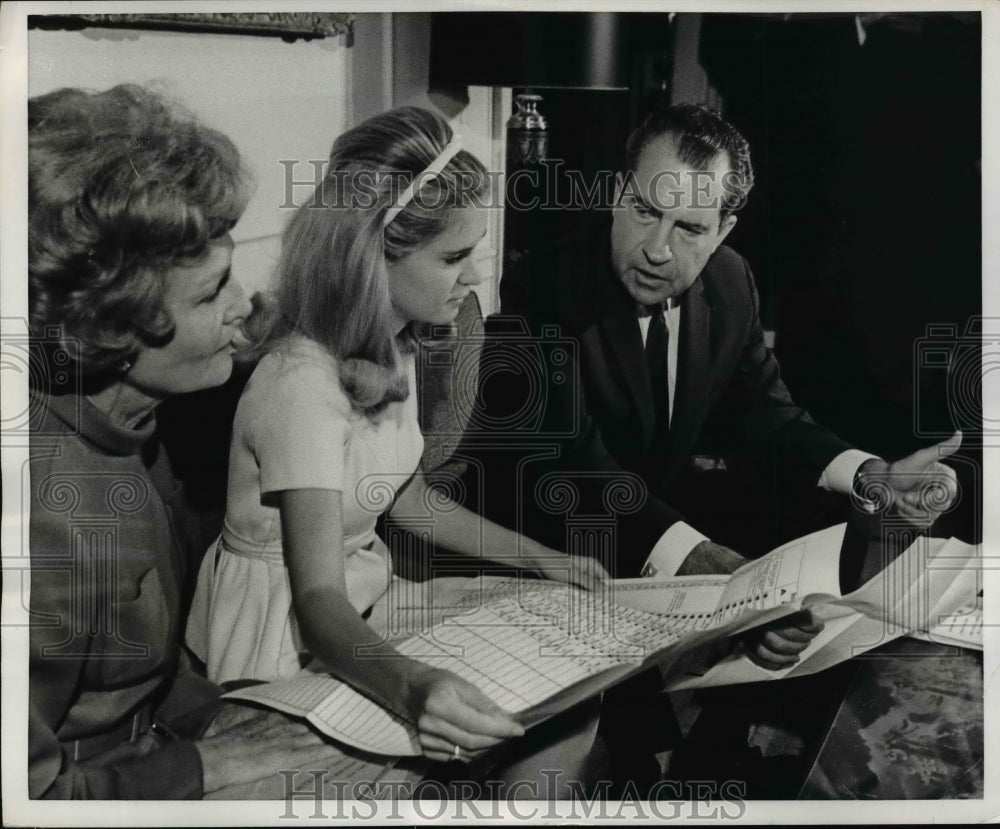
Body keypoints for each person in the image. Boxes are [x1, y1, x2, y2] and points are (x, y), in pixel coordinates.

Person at [186, 106, 606, 794]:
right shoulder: (301, 382)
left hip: (365, 593)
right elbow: (317, 601)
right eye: (452, 257)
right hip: (284, 638)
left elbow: (401, 495)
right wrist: (412, 687)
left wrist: (541, 556)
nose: (473, 276)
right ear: (375, 249)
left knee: (572, 685)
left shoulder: (398, 343)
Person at [481, 102, 961, 665]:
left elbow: (769, 413)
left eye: (688, 228)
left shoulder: (731, 281)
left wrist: (868, 473)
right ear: (618, 193)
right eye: (644, 210)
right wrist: (715, 570)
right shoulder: (541, 287)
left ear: (723, 230)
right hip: (546, 570)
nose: (657, 249)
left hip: (651, 564)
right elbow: (578, 463)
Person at [26, 84, 334, 799]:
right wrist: (206, 763)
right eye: (209, 293)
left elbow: (144, 674)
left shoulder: (133, 423)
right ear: (110, 330)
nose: (245, 307)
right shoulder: (44, 515)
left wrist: (235, 710)